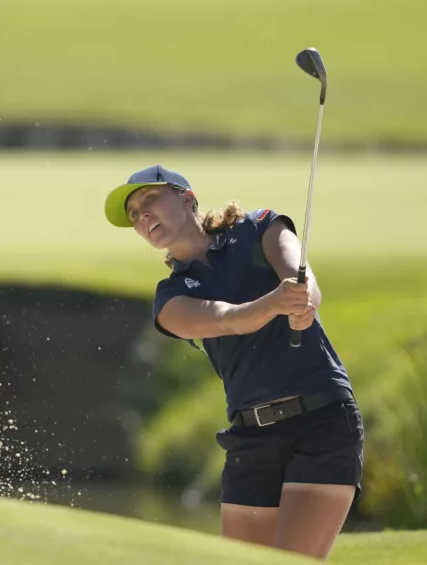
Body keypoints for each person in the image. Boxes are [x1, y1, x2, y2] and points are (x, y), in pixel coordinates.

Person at [104, 164, 364, 561]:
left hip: (323, 421)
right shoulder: (169, 298)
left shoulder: (260, 226)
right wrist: (276, 303)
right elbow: (227, 319)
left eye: (150, 200)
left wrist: (302, 299)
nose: (143, 216)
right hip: (251, 437)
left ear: (187, 198)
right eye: (135, 214)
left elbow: (302, 278)